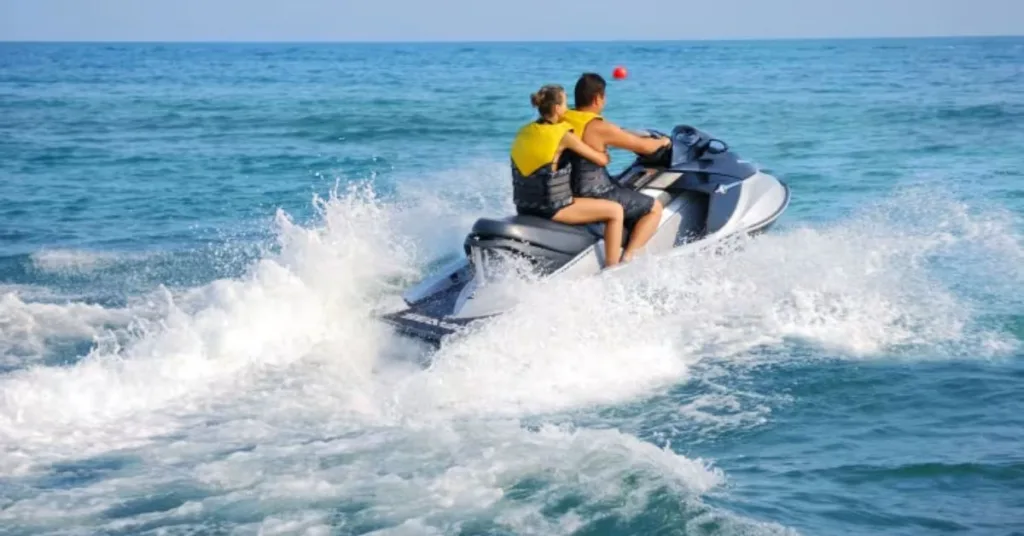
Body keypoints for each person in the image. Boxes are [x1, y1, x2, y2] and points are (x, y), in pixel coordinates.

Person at [510, 84, 626, 267]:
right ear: (557, 108)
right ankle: (613, 268)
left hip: (523, 207)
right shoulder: (563, 134)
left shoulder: (524, 131)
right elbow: (600, 160)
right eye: (565, 105)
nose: (567, 110)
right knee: (615, 211)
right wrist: (604, 153)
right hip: (552, 209)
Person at [562, 73, 671, 263]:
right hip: (594, 192)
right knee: (654, 208)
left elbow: (613, 135)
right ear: (597, 98)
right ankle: (628, 257)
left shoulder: (563, 120)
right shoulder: (597, 126)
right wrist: (663, 141)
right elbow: (644, 147)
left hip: (568, 190)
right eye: (604, 97)